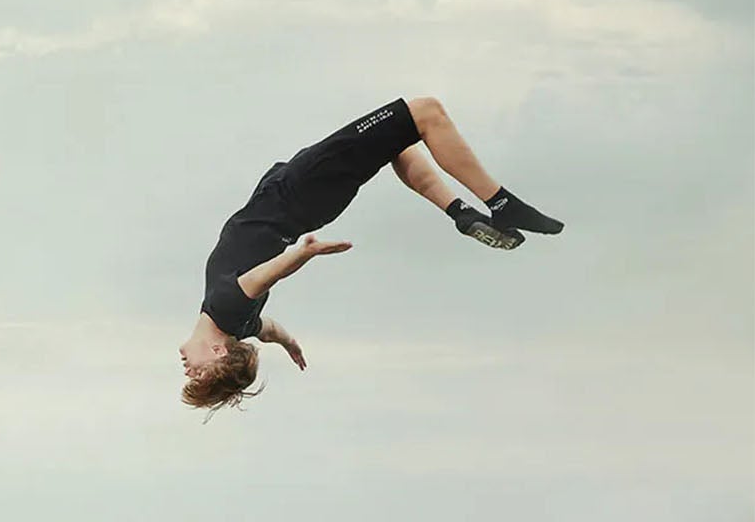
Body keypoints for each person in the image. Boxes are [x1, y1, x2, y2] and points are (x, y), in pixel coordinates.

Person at [180, 95, 563, 411]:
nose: (186, 370)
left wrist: (289, 344)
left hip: (307, 200)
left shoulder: (240, 325)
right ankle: (501, 202)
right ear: (216, 352)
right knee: (425, 113)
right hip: (301, 190)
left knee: (398, 143)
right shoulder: (226, 308)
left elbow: (272, 330)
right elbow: (265, 276)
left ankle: (459, 212)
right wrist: (305, 252)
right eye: (197, 373)